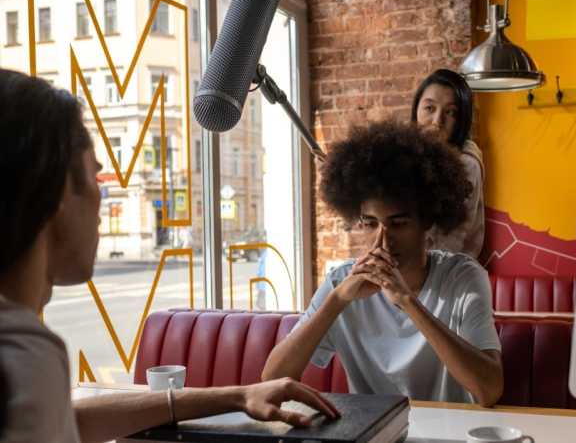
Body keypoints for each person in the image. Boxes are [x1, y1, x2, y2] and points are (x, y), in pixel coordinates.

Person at [0, 69, 339, 443]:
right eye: (96, 176)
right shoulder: (22, 353)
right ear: (58, 190)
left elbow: (71, 420)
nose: (103, 200)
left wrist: (237, 396)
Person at [261, 121, 503, 407]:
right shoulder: (342, 283)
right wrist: (337, 300)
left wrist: (408, 302)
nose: (383, 241)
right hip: (372, 432)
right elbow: (271, 379)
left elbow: (489, 389)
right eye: (370, 223)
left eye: (398, 224)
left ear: (426, 221)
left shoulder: (462, 278)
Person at [411, 69, 485, 259]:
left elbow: (449, 241)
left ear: (462, 120)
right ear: (416, 109)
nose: (437, 121)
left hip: (448, 274)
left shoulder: (466, 164)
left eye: (450, 112)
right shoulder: (412, 153)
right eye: (429, 108)